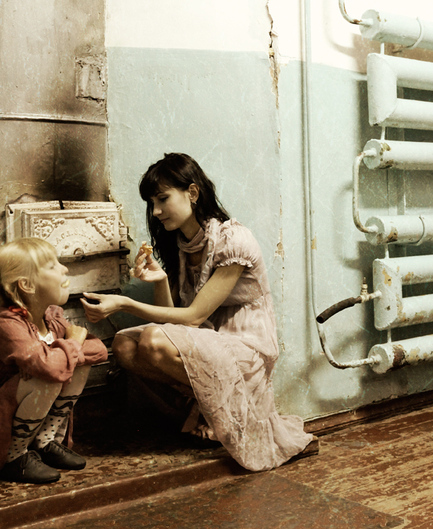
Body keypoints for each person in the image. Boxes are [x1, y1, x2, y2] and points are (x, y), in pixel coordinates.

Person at [80, 153, 313, 471]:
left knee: (152, 340)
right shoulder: (180, 244)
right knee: (124, 345)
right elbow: (173, 321)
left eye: (163, 199)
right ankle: (204, 406)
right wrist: (161, 280)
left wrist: (124, 303)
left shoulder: (233, 240)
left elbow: (192, 317)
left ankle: (214, 411)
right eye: (152, 203)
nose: (156, 211)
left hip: (247, 344)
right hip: (207, 339)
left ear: (192, 192)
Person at [0, 238, 108, 484]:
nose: (64, 269)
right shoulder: (6, 325)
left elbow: (99, 351)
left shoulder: (51, 321)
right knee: (48, 374)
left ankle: (44, 442)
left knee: (73, 364)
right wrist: (72, 343)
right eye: (52, 265)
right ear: (26, 285)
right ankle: (13, 457)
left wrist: (63, 353)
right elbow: (51, 367)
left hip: (22, 414)